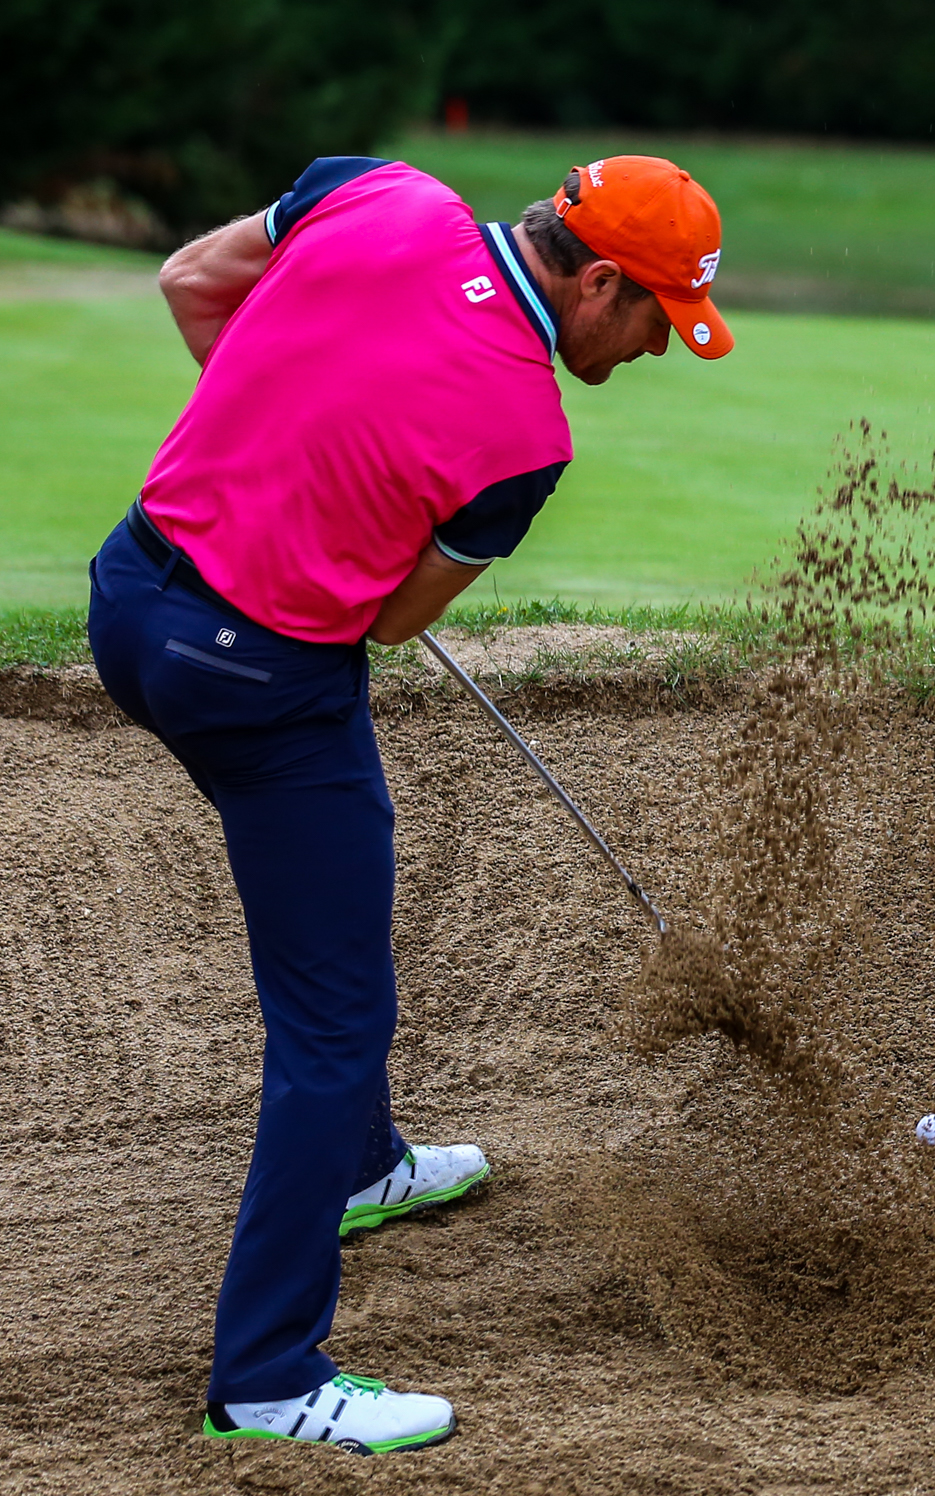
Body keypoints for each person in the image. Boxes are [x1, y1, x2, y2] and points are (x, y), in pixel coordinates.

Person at [87, 152, 732, 1456]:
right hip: (260, 684)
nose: (660, 346)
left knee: (346, 890)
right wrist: (316, 502)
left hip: (130, 600)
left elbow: (191, 282)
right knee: (333, 1025)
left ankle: (363, 1162)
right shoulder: (526, 443)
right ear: (598, 282)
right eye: (659, 317)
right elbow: (389, 620)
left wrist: (282, 456)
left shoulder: (384, 193)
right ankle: (267, 1377)